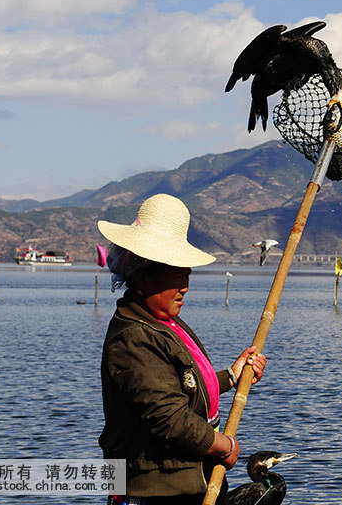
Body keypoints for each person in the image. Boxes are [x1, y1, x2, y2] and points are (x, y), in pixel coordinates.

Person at [97, 193, 267, 504]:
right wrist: (223, 446)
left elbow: (181, 387)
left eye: (186, 273)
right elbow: (170, 419)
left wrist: (232, 376)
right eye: (176, 274)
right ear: (143, 276)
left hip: (187, 486)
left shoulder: (165, 324)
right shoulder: (133, 337)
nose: (185, 285)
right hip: (153, 494)